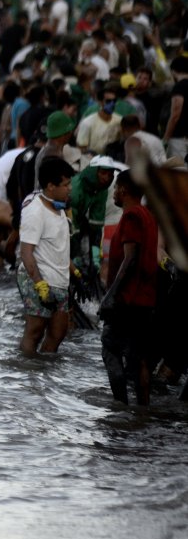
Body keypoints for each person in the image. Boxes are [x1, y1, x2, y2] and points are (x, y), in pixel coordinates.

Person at [99, 170, 158, 405]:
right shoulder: (147, 215)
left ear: (123, 190)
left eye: (115, 189)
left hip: (128, 299)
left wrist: (111, 296)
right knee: (141, 358)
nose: (113, 194)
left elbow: (130, 258)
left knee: (110, 350)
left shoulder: (132, 216)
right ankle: (143, 412)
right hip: (145, 300)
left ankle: (121, 406)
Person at [17, 157, 78, 356]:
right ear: (50, 186)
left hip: (60, 281)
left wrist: (76, 272)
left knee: (58, 333)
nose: (70, 188)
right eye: (66, 184)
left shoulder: (59, 206)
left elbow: (58, 248)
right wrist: (40, 285)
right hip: (38, 279)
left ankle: (46, 380)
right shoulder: (35, 211)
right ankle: (27, 376)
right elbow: (26, 253)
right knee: (34, 332)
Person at [162, 56, 188, 161]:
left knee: (179, 172)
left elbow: (175, 115)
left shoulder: (179, 87)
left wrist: (166, 139)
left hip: (179, 139)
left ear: (173, 71)